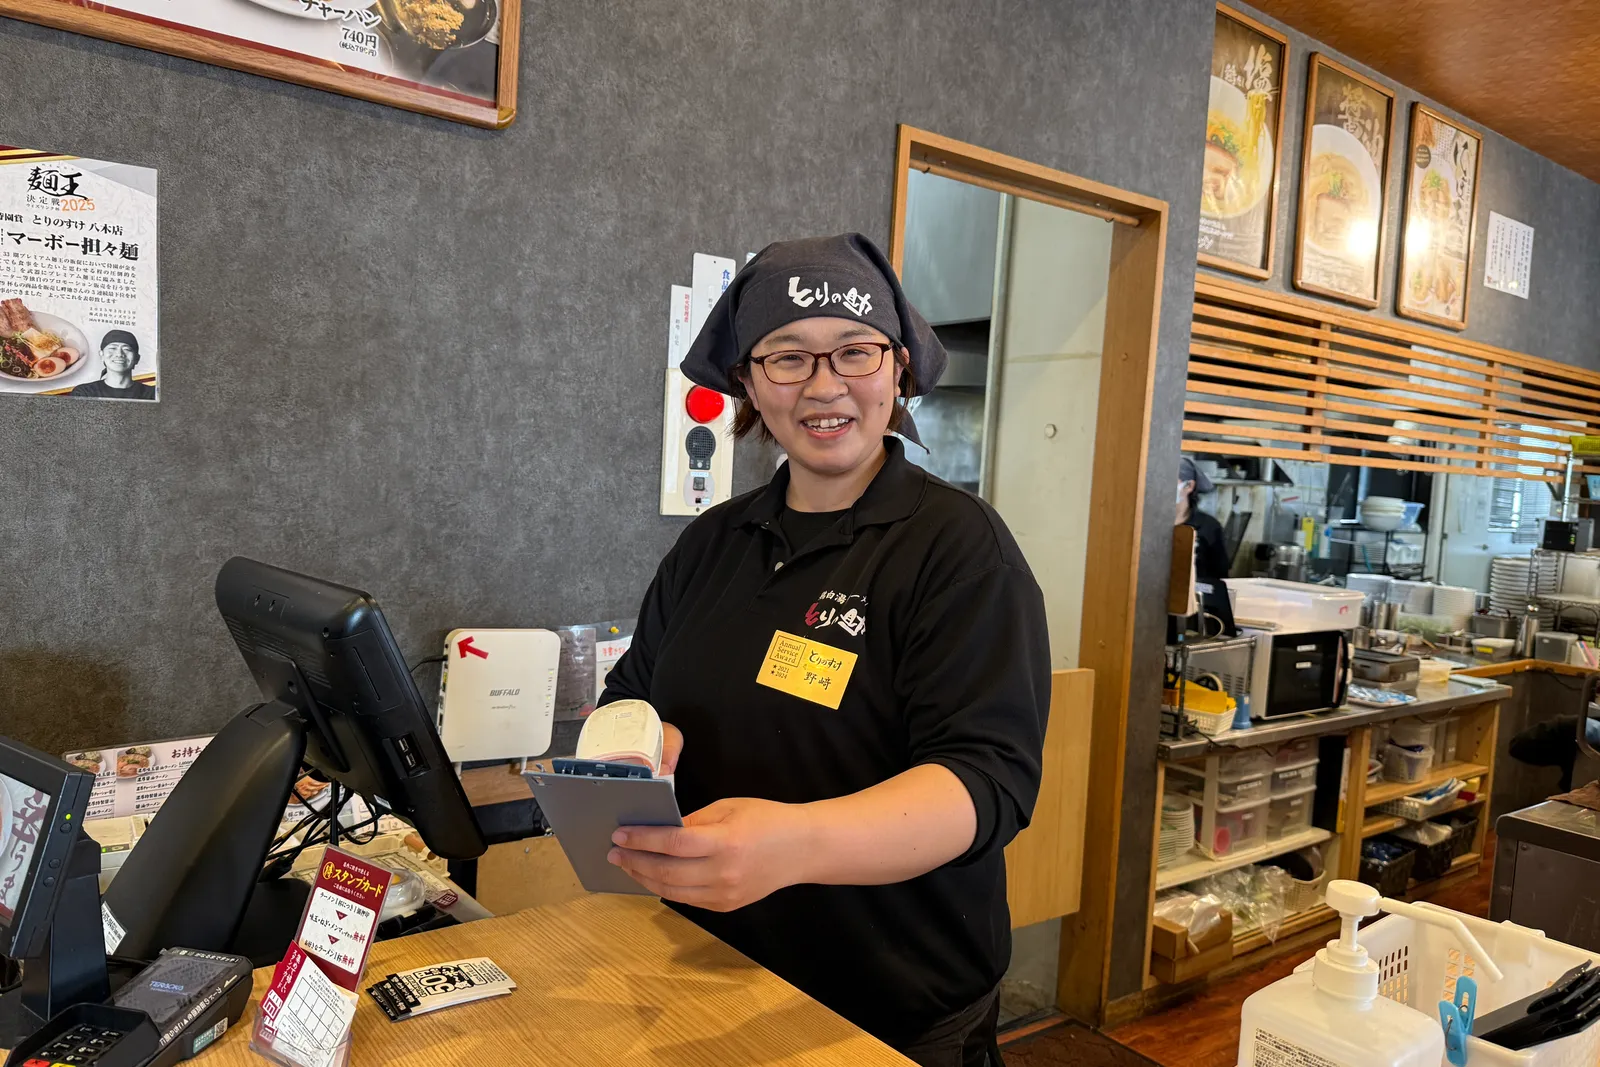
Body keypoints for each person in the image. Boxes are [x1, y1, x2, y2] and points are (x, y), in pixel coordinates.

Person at [599, 233, 1050, 1067]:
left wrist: (793, 845)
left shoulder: (957, 548)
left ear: (899, 368)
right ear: (748, 382)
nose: (825, 384)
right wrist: (635, 744)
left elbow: (987, 782)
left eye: (855, 352)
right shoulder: (711, 545)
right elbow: (630, 692)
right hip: (711, 971)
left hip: (894, 1009)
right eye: (788, 358)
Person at [1176, 455, 1236, 635]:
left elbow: (1219, 579)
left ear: (1189, 486)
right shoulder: (1147, 522)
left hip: (1196, 615)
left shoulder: (1209, 527)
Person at [68, 330, 156, 401]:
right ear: (101, 355)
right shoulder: (85, 393)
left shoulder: (152, 394)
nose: (119, 354)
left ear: (137, 358)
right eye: (113, 348)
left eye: (127, 349)